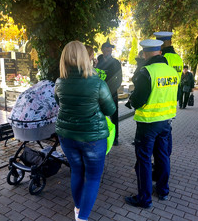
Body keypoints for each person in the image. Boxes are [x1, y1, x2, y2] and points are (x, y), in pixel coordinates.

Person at [55, 41, 116, 221]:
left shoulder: (59, 82)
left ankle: (78, 209)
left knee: (76, 171)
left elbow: (60, 104)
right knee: (93, 178)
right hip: (93, 138)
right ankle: (82, 218)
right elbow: (110, 110)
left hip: (67, 136)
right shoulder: (97, 83)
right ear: (85, 57)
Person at [124, 39, 179, 208]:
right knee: (163, 157)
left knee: (144, 160)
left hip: (148, 123)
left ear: (146, 53)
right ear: (160, 53)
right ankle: (163, 191)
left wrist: (131, 99)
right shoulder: (172, 71)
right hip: (166, 122)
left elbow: (139, 100)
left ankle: (144, 199)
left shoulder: (146, 71)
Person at [96, 39, 122, 146]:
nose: (109, 50)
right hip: (98, 94)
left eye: (110, 48)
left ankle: (115, 137)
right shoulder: (98, 61)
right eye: (107, 48)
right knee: (98, 114)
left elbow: (119, 79)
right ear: (102, 49)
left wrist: (110, 91)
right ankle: (100, 136)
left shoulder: (116, 63)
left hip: (111, 94)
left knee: (114, 115)